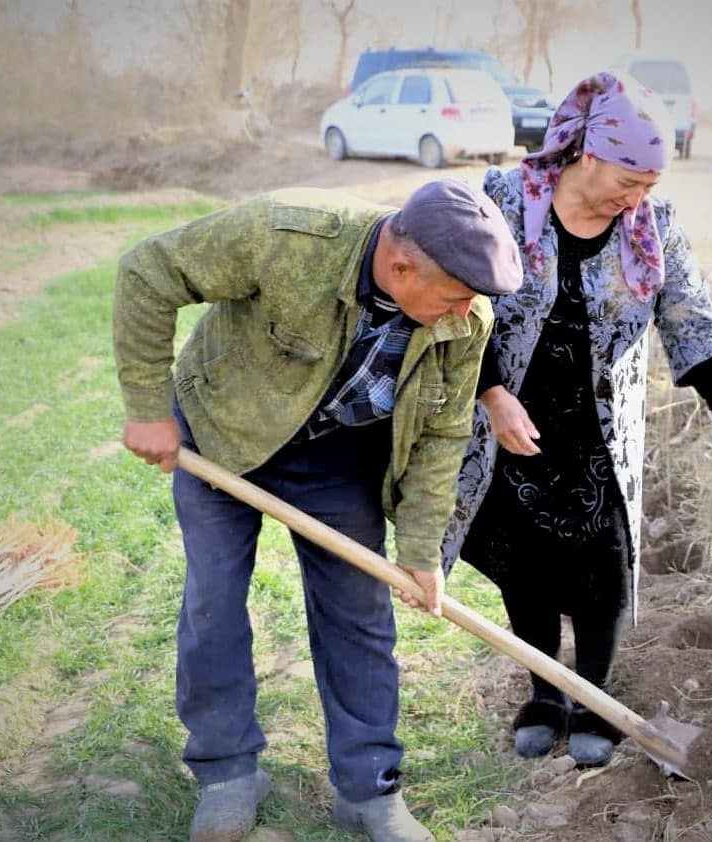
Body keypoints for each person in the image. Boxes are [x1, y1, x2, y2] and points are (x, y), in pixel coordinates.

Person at [113, 180, 523, 842]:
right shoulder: (286, 234)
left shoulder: (465, 320)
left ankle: (367, 791)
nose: (463, 312)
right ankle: (227, 772)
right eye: (452, 297)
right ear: (400, 267)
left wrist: (421, 553)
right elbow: (150, 269)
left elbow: (444, 436)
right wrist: (147, 407)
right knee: (213, 600)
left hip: (339, 457)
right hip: (224, 434)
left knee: (359, 616)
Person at [441, 72, 712, 769]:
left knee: (600, 573)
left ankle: (594, 699)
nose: (638, 197)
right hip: (509, 418)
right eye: (629, 178)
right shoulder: (505, 200)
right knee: (526, 568)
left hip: (598, 433)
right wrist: (491, 393)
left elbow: (688, 316)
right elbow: (455, 304)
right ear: (587, 153)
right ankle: (545, 694)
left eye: (650, 183)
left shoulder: (652, 227)